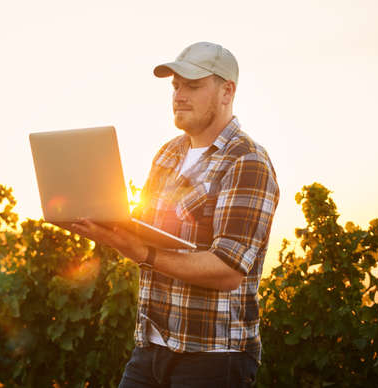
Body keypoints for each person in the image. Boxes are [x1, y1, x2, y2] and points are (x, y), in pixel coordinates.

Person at [71, 42, 279, 387]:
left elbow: (228, 270)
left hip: (213, 357)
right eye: (175, 86)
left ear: (227, 91)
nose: (179, 95)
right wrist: (107, 224)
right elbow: (144, 233)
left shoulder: (247, 161)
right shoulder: (167, 154)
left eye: (193, 86)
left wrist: (143, 252)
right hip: (150, 348)